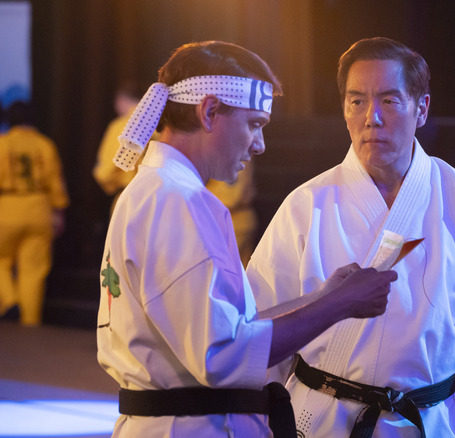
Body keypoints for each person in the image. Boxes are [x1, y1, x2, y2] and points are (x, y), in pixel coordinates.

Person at [96, 41, 397, 438]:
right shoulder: (176, 200)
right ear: (210, 111)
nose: (259, 144)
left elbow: (231, 326)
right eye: (254, 123)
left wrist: (322, 295)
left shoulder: (159, 191)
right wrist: (341, 304)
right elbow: (223, 354)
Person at [246, 37, 455, 437]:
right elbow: (262, 333)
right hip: (322, 420)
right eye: (357, 101)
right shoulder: (305, 206)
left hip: (428, 421)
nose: (372, 117)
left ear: (421, 108)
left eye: (390, 101)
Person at [93, 82, 259, 265]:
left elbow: (105, 174)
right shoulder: (208, 130)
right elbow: (229, 190)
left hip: (147, 211)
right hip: (224, 218)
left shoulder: (123, 127)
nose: (260, 144)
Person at [0, 101, 69, 326]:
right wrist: (58, 212)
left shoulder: (3, 144)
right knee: (34, 271)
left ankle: (10, 301)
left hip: (7, 206)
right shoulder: (44, 145)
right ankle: (30, 324)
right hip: (40, 208)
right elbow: (55, 182)